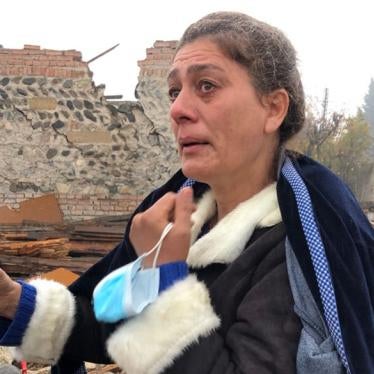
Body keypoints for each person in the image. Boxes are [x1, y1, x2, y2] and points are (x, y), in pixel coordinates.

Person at [0, 11, 373, 374]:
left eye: (206, 86)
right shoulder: (175, 211)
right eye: (174, 91)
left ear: (273, 108)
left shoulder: (303, 242)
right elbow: (113, 325)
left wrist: (163, 278)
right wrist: (12, 300)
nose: (177, 109)